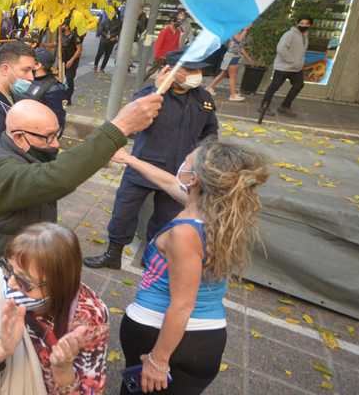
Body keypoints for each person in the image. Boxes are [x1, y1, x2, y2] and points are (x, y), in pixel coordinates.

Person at [0, 92, 163, 281]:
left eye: (56, 134)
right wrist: (120, 128)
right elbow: (56, 178)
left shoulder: (11, 149)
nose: (56, 144)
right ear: (18, 137)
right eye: (47, 137)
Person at [113, 141, 267, 394]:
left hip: (165, 337)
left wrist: (158, 360)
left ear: (194, 179)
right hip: (207, 338)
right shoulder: (220, 212)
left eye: (186, 161)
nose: (180, 166)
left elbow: (183, 304)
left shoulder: (185, 233)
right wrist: (130, 159)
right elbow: (168, 183)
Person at [86, 51, 219, 271]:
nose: (198, 75)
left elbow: (210, 132)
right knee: (123, 213)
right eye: (192, 70)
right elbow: (133, 114)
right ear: (172, 70)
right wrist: (156, 88)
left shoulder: (203, 99)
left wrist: (202, 156)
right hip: (142, 166)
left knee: (165, 220)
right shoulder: (153, 95)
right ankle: (113, 253)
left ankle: (151, 259)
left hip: (178, 172)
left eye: (199, 70)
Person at [0, 223, 111, 394]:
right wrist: (0, 349)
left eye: (24, 282)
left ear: (59, 285)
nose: (10, 283)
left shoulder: (89, 318)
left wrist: (63, 372)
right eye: (8, 268)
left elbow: (91, 391)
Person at [261, 17, 312, 118]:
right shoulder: (290, 34)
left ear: (310, 25)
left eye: (306, 23)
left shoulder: (305, 36)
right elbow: (281, 49)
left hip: (296, 68)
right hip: (283, 67)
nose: (303, 25)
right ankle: (264, 106)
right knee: (274, 86)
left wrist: (299, 63)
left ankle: (285, 106)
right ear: (297, 23)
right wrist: (291, 60)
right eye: (301, 23)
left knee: (299, 84)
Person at [14, 48, 70, 132]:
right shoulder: (30, 79)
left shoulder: (54, 88)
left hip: (40, 134)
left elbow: (58, 119)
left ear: (37, 65)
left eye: (30, 61)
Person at [207, 28, 253, 102]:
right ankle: (233, 95)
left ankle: (209, 87)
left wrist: (248, 58)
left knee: (223, 74)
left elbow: (240, 48)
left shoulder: (240, 32)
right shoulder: (235, 31)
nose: (251, 25)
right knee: (233, 76)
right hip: (232, 56)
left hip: (234, 56)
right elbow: (238, 40)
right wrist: (245, 30)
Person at [146, 15, 182, 80]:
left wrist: (176, 54)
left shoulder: (178, 32)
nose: (178, 24)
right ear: (171, 22)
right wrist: (158, 55)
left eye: (179, 22)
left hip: (170, 55)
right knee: (153, 70)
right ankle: (142, 80)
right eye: (176, 22)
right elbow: (158, 43)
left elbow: (177, 44)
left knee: (166, 71)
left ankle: (160, 83)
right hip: (161, 55)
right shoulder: (165, 31)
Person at [58, 24, 84, 102]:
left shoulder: (74, 35)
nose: (61, 26)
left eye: (63, 25)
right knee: (62, 78)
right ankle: (62, 96)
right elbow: (57, 44)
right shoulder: (61, 35)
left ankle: (68, 99)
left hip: (72, 61)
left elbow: (79, 50)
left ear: (67, 26)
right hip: (63, 60)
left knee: (69, 79)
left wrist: (71, 60)